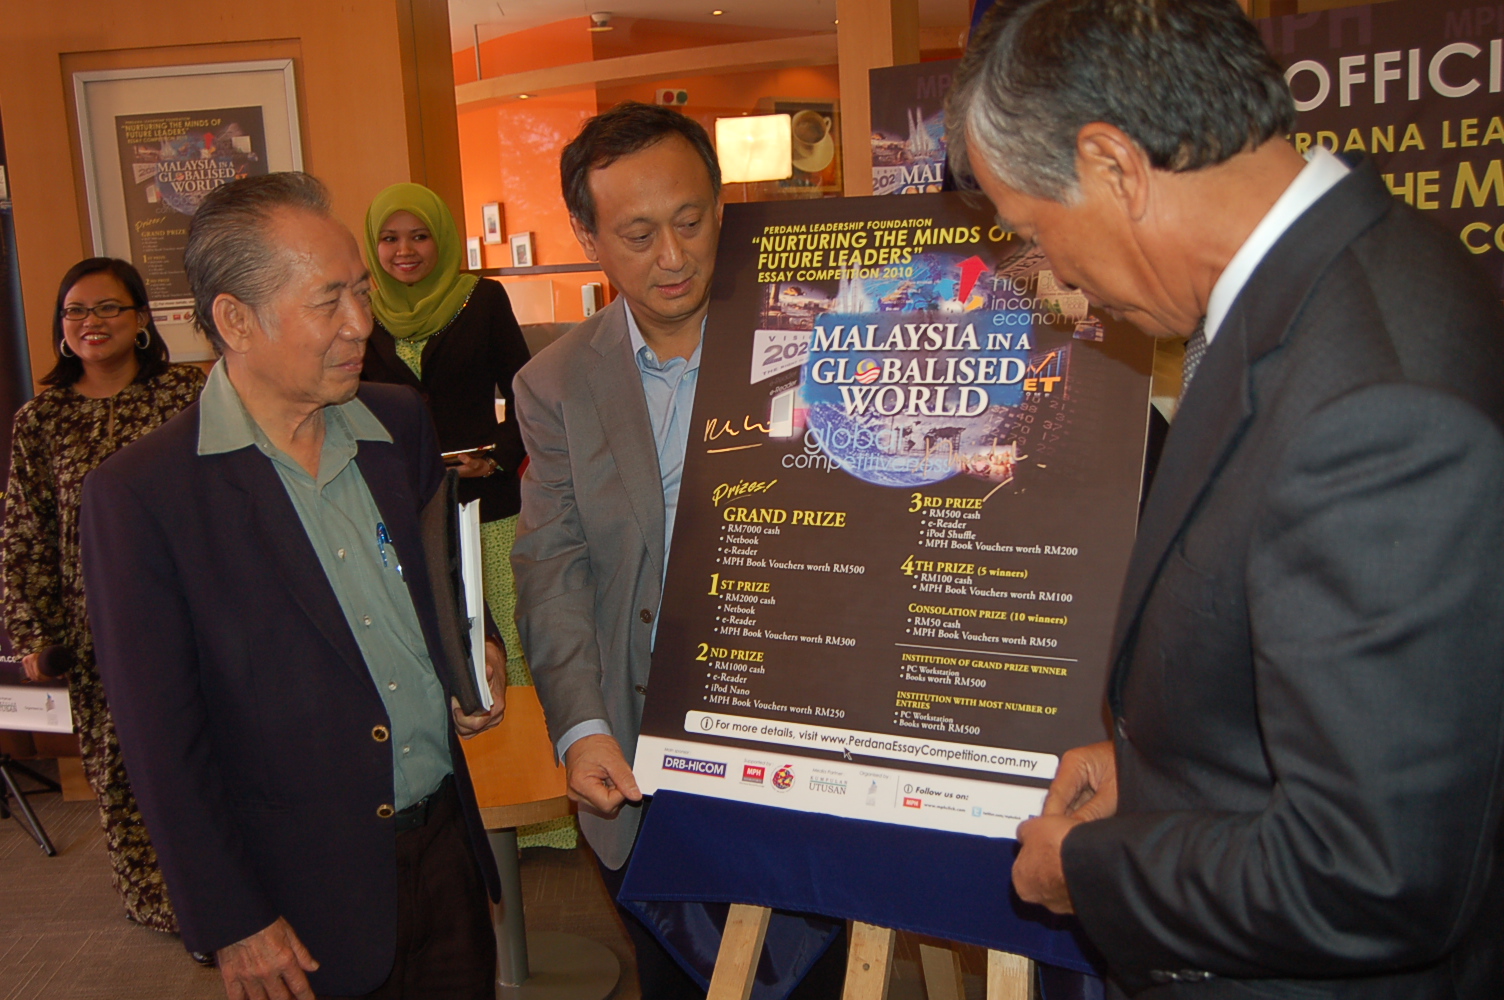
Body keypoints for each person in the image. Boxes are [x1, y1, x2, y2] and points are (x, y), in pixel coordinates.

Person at [946, 1, 1504, 997]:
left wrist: (1093, 870)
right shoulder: (1334, 275)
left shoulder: (1373, 406)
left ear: (1113, 165)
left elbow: (1370, 875)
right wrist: (1162, 768)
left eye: (1033, 231)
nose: (1055, 275)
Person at [79, 172, 507, 1000]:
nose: (361, 323)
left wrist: (472, 650)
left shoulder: (398, 424)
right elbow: (160, 739)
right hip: (301, 897)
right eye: (327, 302)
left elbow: (442, 580)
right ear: (236, 319)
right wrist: (231, 917)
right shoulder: (145, 495)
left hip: (445, 849)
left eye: (361, 291)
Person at [511, 103, 846, 999]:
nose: (673, 256)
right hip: (643, 753)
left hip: (801, 746)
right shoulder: (555, 384)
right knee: (676, 976)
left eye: (692, 221)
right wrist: (581, 727)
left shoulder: (819, 340)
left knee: (813, 978)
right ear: (588, 236)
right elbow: (552, 567)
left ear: (722, 206)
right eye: (638, 234)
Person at [2, 257, 203, 935]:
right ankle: (163, 905)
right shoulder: (41, 418)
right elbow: (24, 532)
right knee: (123, 769)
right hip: (96, 631)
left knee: (200, 756)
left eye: (108, 307)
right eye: (76, 311)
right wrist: (35, 636)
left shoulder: (188, 395)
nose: (91, 322)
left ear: (141, 318)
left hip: (189, 613)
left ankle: (222, 894)